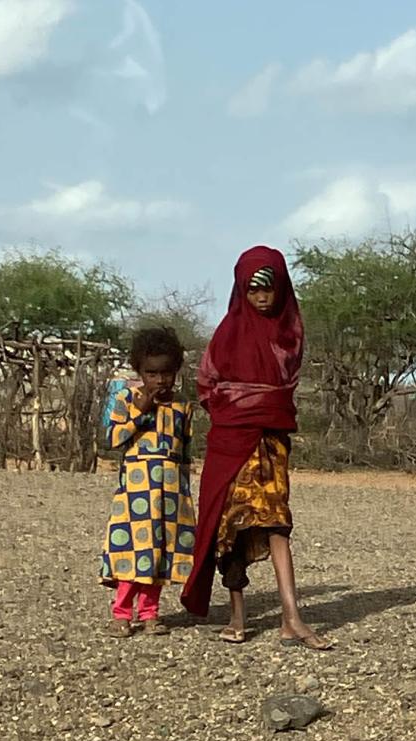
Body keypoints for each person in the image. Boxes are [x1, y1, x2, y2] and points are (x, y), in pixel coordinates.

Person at [180, 246, 333, 651]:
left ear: (282, 289)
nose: (262, 299)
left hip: (271, 442)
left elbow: (284, 386)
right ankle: (237, 614)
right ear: (241, 291)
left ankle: (291, 617)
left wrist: (257, 405)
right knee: (230, 525)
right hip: (232, 442)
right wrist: (238, 408)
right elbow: (207, 385)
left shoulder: (291, 333)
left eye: (269, 290)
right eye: (253, 291)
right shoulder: (227, 333)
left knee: (277, 522)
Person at [99, 327, 196, 638]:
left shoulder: (182, 405)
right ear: (139, 371)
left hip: (170, 491)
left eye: (165, 373)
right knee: (132, 552)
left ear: (176, 371)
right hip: (136, 491)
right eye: (151, 373)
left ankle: (151, 612)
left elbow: (186, 450)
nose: (159, 380)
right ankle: (122, 613)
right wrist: (140, 414)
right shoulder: (127, 399)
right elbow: (113, 439)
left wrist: (185, 490)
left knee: (159, 553)